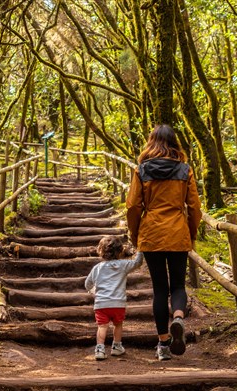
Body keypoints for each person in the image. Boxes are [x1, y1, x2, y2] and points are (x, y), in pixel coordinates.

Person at [126, 124, 202, 361]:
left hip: (152, 233)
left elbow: (133, 206)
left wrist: (135, 233)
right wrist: (191, 232)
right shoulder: (185, 170)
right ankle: (178, 317)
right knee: (178, 285)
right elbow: (195, 207)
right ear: (174, 143)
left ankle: (163, 345)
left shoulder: (142, 170)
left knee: (159, 289)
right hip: (178, 232)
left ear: (151, 142)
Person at [85, 235, 144, 360]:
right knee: (118, 325)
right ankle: (116, 347)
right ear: (120, 251)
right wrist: (141, 249)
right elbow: (138, 263)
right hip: (118, 304)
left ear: (101, 251)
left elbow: (87, 284)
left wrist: (94, 292)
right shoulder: (123, 265)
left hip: (101, 304)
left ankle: (100, 349)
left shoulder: (97, 268)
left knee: (102, 326)